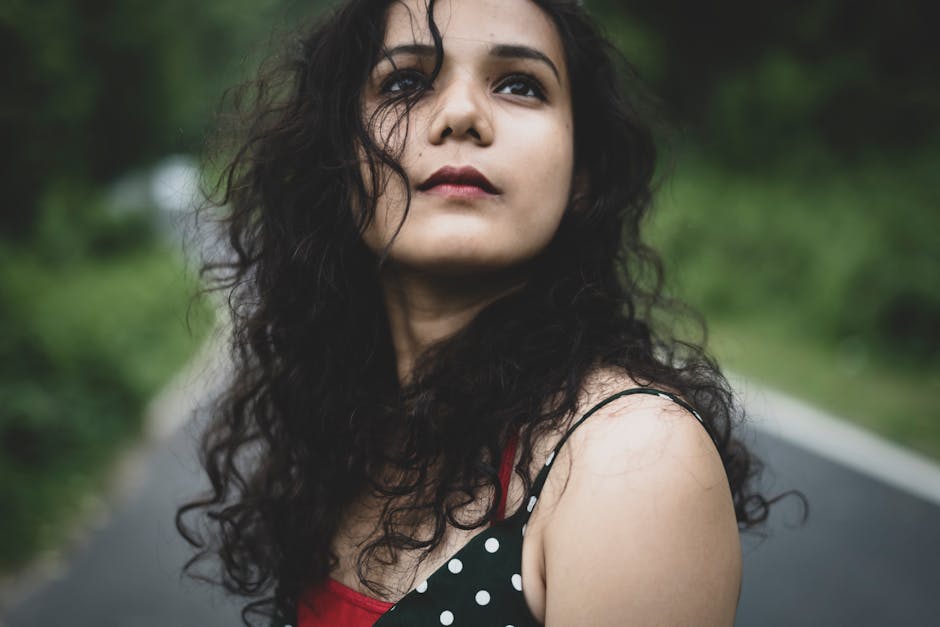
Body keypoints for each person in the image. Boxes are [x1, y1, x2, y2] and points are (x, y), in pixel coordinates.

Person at [178, 0, 773, 625]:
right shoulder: (350, 434)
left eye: (521, 84)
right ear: (339, 158)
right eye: (406, 82)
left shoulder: (631, 460)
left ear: (582, 175)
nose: (461, 115)